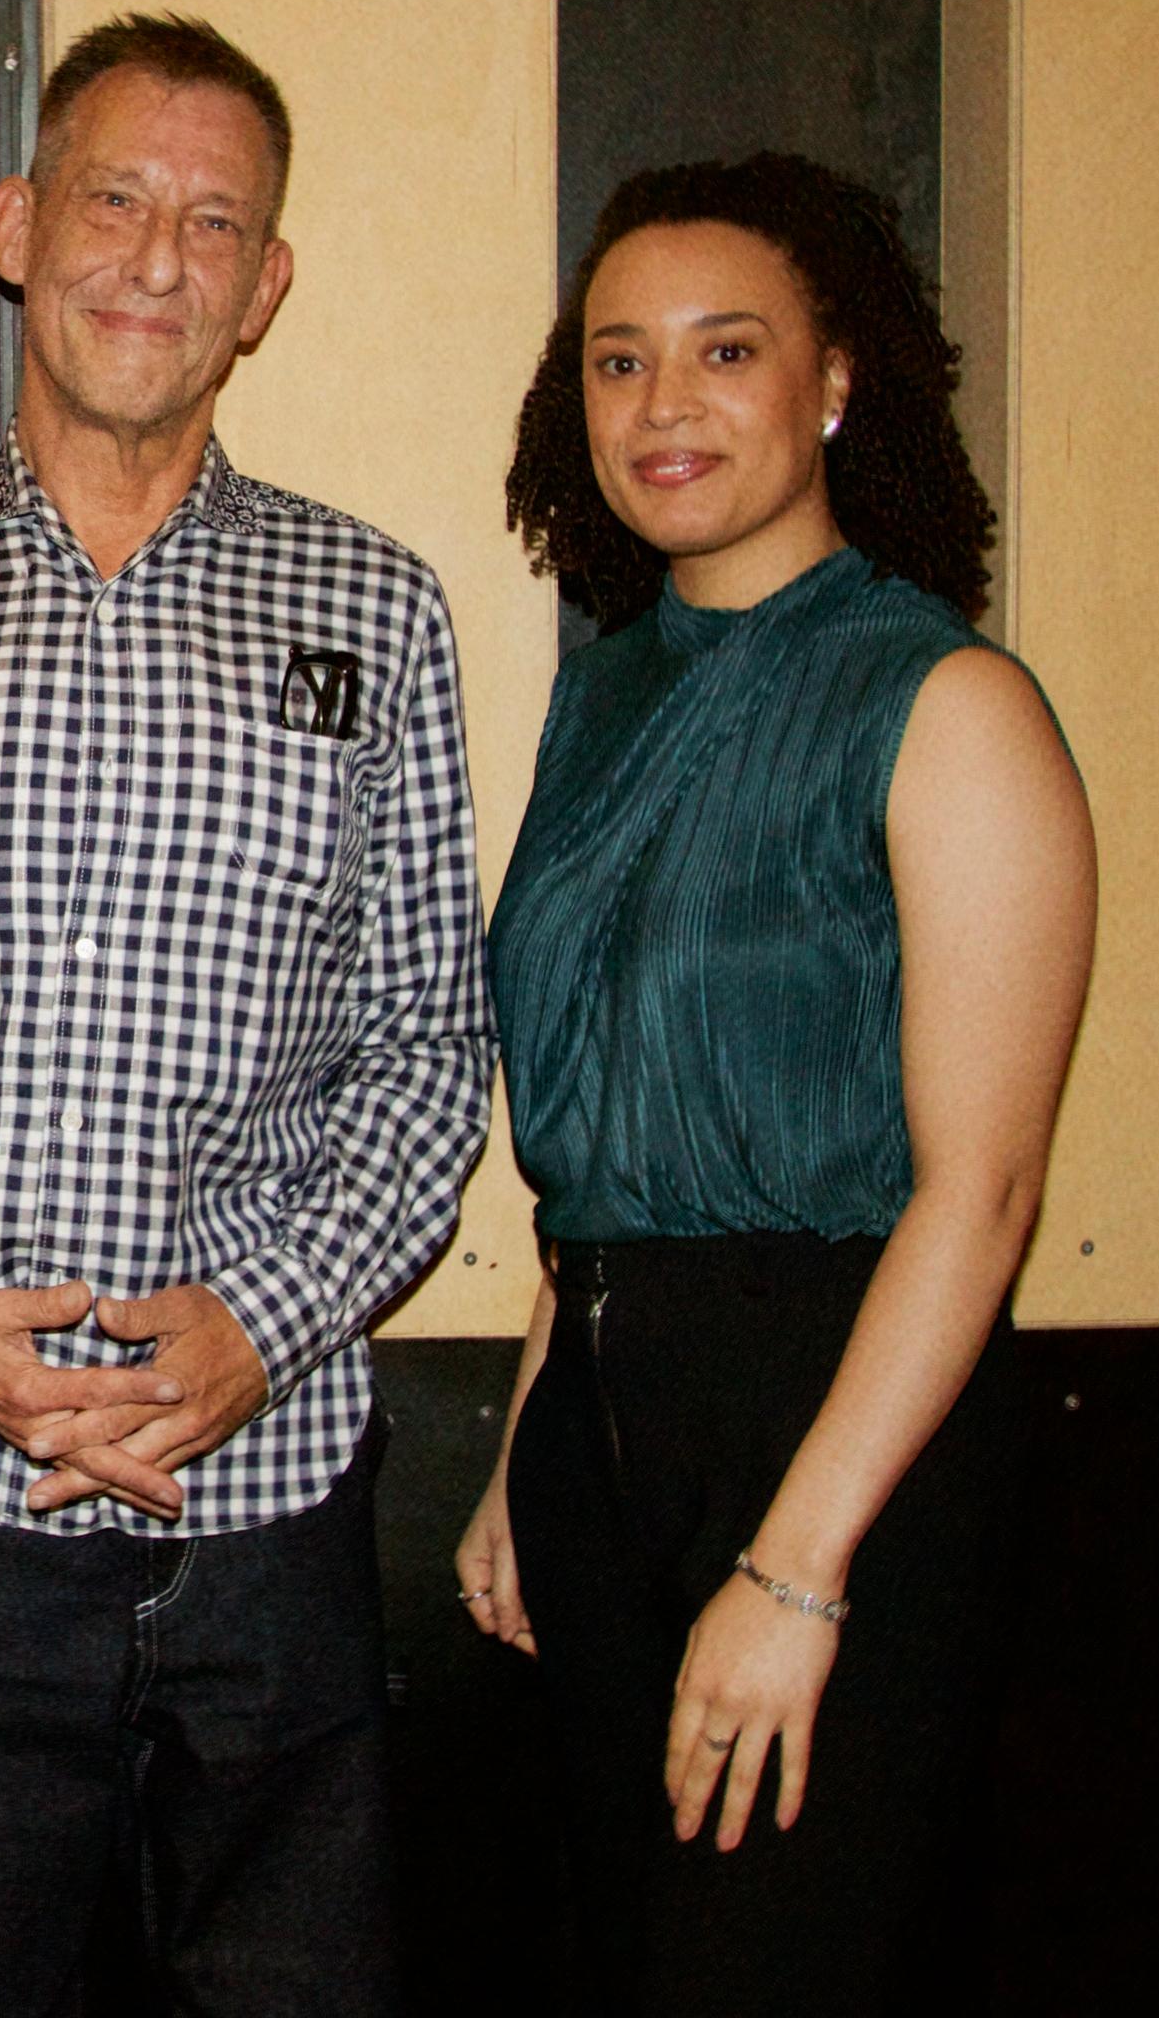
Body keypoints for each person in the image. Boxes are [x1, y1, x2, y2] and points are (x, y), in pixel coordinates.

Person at [0, 14, 497, 2015]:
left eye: (213, 220)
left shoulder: (375, 610)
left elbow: (423, 1040)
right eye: (113, 198)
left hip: (275, 1499)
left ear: (267, 286)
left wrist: (265, 1319)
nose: (154, 257)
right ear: (15, 223)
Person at [454, 155, 1096, 2014]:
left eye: (726, 352)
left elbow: (979, 1196)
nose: (664, 406)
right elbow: (600, 1140)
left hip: (839, 1432)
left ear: (833, 380)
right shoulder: (602, 695)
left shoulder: (946, 701)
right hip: (599, 1421)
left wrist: (800, 1569)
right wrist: (525, 1441)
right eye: (618, 360)